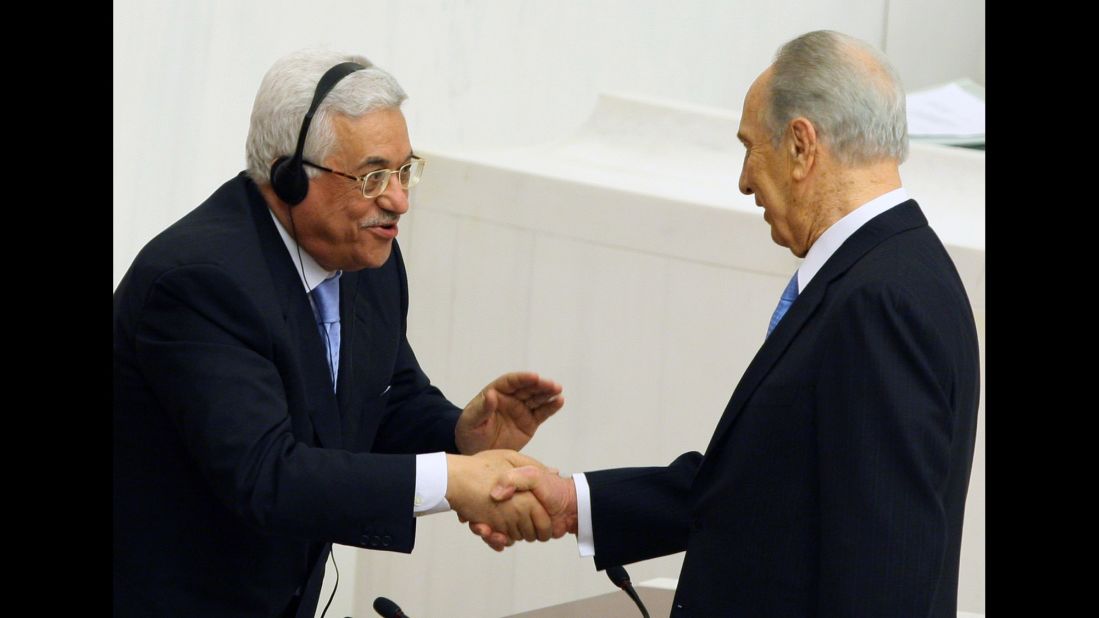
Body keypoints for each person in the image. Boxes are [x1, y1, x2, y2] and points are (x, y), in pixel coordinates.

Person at [477, 30, 980, 617]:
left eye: (749, 147)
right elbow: (761, 485)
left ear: (800, 146)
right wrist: (574, 502)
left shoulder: (881, 302)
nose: (744, 180)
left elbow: (884, 567)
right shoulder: (890, 274)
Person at [113, 49, 564, 617]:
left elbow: (385, 398)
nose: (399, 200)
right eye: (373, 176)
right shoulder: (200, 282)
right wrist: (453, 480)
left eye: (405, 171)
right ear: (288, 177)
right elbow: (266, 475)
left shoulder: (368, 260)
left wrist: (460, 436)